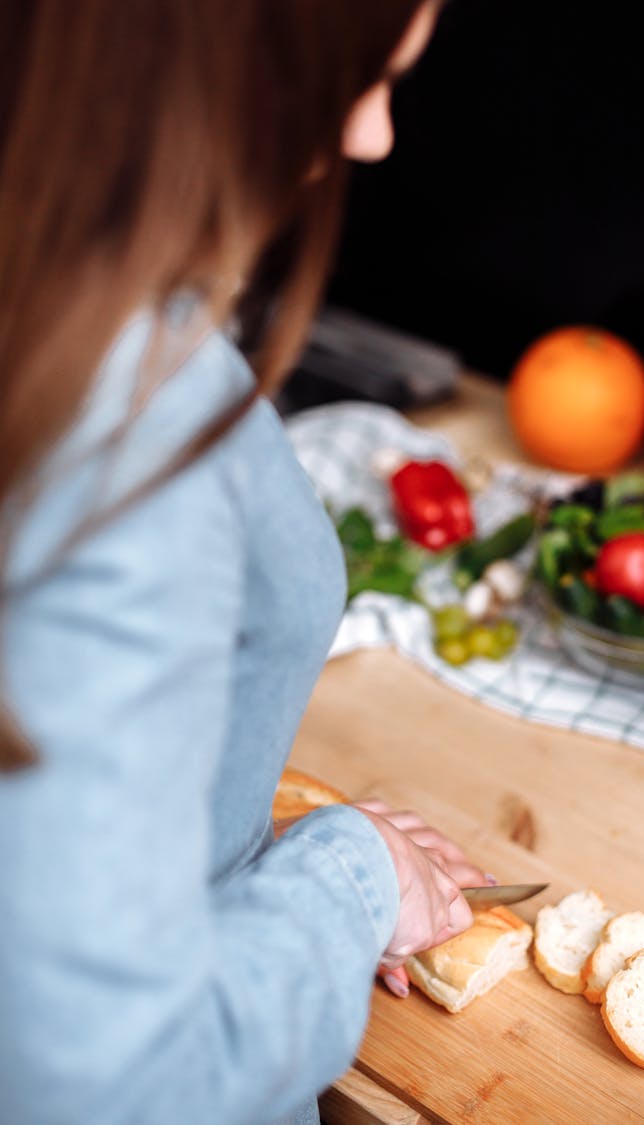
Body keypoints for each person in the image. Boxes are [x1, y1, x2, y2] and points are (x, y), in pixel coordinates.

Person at [0, 3, 493, 1123]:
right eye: (365, 74)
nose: (373, 135)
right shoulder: (125, 421)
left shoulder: (78, 292)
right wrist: (347, 880)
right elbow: (114, 1086)